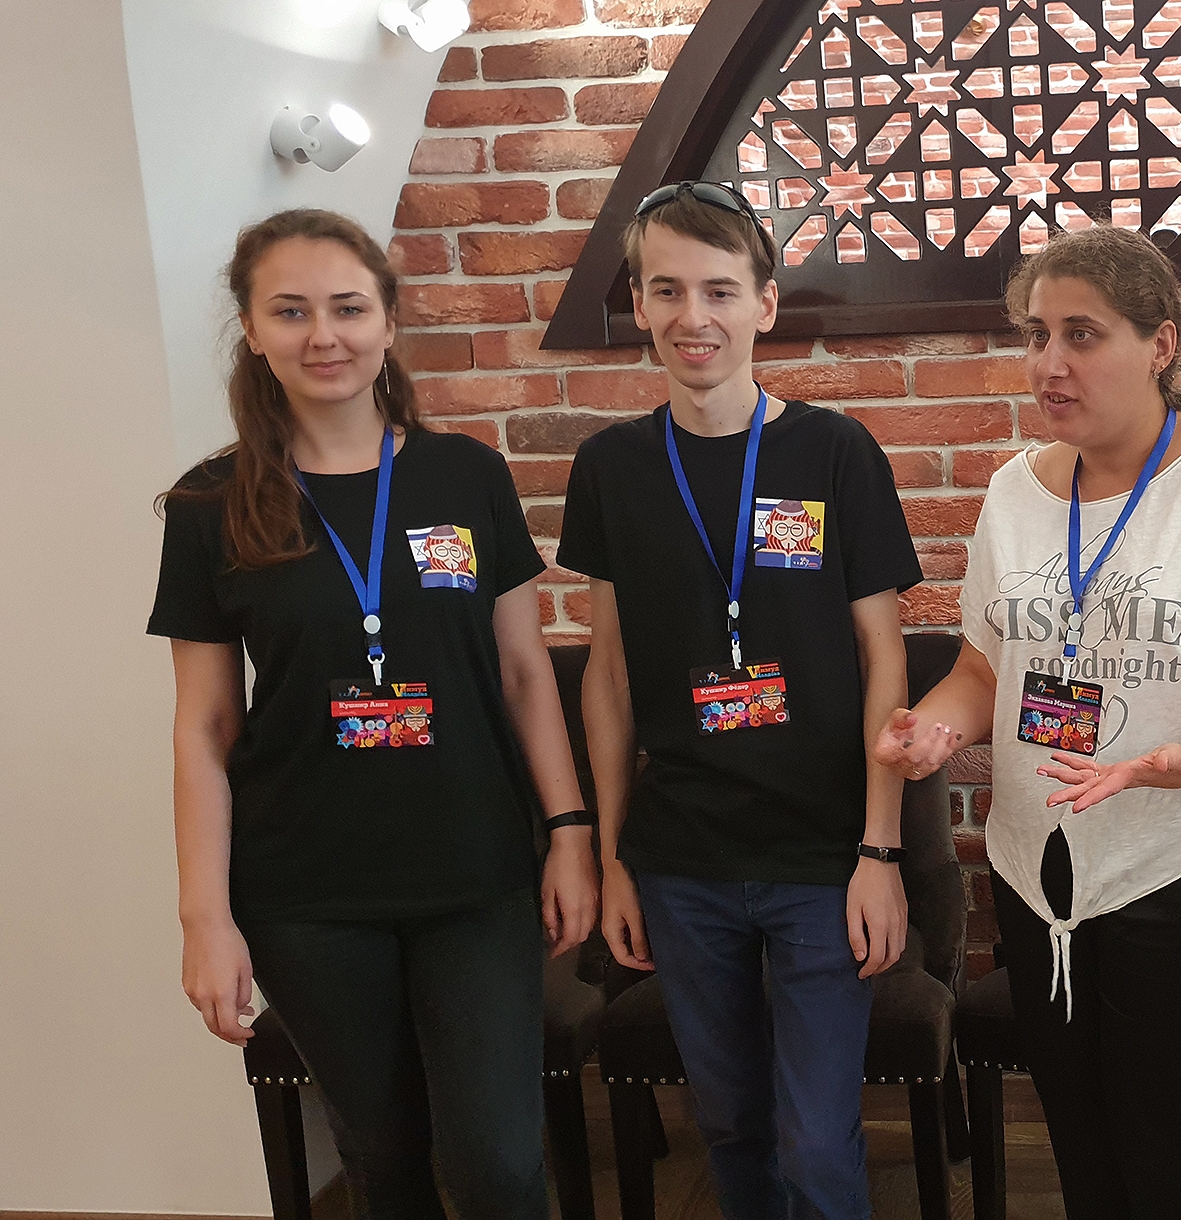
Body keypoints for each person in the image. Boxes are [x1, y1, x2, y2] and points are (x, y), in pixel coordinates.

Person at [150, 209, 597, 1220]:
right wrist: (204, 917)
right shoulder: (209, 507)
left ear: (388, 321)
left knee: (497, 1162)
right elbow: (204, 728)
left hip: (475, 871)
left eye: (349, 308)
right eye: (292, 311)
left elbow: (525, 673)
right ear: (253, 330)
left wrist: (569, 831)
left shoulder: (466, 474)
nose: (326, 335)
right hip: (305, 891)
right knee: (385, 1161)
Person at [876, 225, 1181, 1218]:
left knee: (1170, 1153)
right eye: (1037, 333)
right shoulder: (1013, 492)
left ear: (1160, 341)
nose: (1049, 362)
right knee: (1082, 1147)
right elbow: (984, 665)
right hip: (1041, 873)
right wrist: (939, 728)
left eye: (1082, 335)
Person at [558, 181, 920, 1219]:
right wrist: (621, 855)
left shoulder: (833, 450)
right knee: (730, 1126)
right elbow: (611, 675)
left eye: (719, 288)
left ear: (765, 303)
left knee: (815, 1141)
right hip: (684, 861)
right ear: (638, 302)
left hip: (821, 853)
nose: (692, 315)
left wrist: (879, 849)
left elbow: (882, 660)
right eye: (666, 289)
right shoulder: (611, 468)